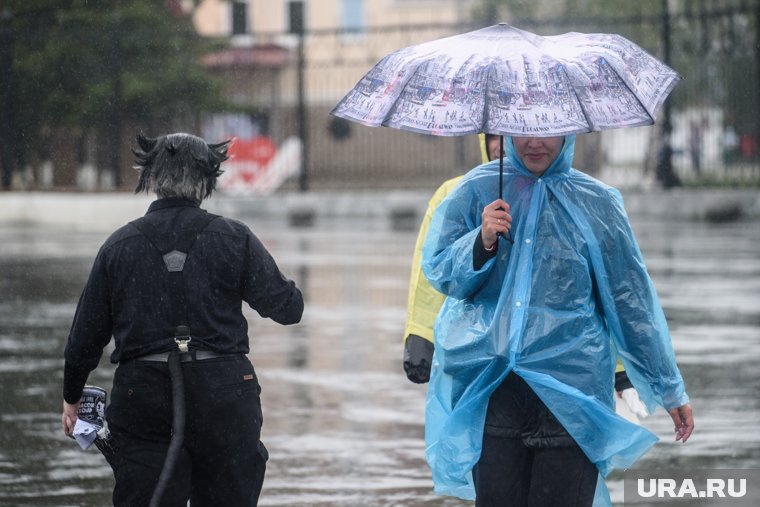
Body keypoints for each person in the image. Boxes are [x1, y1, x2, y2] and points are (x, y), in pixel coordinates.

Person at [420, 135, 694, 506]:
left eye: (547, 129)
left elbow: (630, 302)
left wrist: (667, 386)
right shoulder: (477, 191)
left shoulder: (597, 204)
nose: (534, 141)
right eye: (522, 128)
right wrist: (481, 241)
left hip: (573, 395)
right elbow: (441, 273)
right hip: (495, 388)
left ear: (568, 132)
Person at [61, 133, 304, 507]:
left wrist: (72, 397)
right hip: (225, 393)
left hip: (143, 396)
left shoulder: (118, 246)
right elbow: (289, 310)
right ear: (208, 181)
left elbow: (84, 340)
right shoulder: (234, 238)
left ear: (151, 179)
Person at [403, 135, 649, 424]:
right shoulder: (459, 193)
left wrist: (622, 368)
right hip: (485, 367)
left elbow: (606, 293)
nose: (501, 145)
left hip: (562, 376)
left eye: (508, 135)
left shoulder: (580, 199)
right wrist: (421, 333)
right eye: (494, 136)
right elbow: (435, 273)